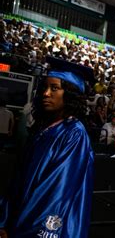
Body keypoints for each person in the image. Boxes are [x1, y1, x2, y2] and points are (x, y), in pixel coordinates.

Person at [0, 57, 95, 238]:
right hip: (17, 223)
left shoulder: (74, 134)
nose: (45, 93)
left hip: (42, 229)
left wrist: (19, 230)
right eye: (45, 87)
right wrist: (4, 222)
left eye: (54, 88)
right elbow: (17, 181)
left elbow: (54, 192)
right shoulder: (41, 131)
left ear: (70, 94)